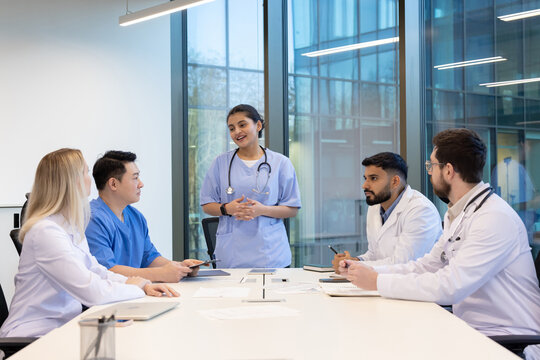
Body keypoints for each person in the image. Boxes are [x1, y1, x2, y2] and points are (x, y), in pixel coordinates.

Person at [339, 129, 540, 359]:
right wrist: (369, 271)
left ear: (448, 170)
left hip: (508, 340)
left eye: (431, 166)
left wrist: (378, 281)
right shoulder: (458, 213)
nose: (429, 173)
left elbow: (451, 285)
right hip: (471, 331)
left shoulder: (493, 217)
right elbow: (426, 266)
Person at [0, 149, 177, 338]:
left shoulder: (69, 226)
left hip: (66, 327)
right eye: (85, 172)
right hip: (33, 337)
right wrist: (134, 287)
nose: (89, 178)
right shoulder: (45, 232)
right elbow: (91, 291)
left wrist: (140, 284)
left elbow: (95, 270)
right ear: (71, 180)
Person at [200, 104, 301, 268]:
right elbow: (207, 204)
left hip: (271, 255)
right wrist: (227, 208)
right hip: (232, 256)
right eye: (231, 128)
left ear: (258, 125)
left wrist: (263, 210)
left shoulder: (280, 163)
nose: (237, 132)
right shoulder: (220, 163)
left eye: (242, 125)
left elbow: (292, 208)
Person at [85, 151, 203, 282]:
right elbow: (106, 271)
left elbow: (149, 258)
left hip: (134, 293)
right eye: (135, 178)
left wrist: (180, 267)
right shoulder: (92, 220)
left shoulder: (136, 217)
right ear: (113, 184)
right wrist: (160, 274)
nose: (141, 184)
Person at [331, 152, 441, 270]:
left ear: (395, 182)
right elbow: (374, 254)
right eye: (365, 178)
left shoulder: (421, 210)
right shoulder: (375, 207)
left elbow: (403, 263)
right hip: (386, 284)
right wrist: (355, 260)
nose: (364, 185)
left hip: (417, 284)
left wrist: (353, 265)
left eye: (373, 178)